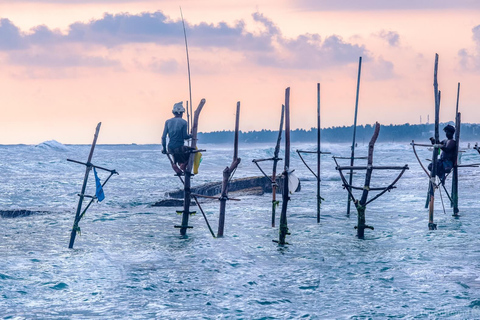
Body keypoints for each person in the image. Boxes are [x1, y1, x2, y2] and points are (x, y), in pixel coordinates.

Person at [162, 102, 191, 174]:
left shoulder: (168, 122)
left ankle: (176, 164)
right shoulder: (184, 122)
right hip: (180, 147)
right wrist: (191, 135)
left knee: (177, 156)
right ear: (182, 113)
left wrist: (164, 149)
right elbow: (185, 136)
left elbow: (163, 137)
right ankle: (183, 165)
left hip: (170, 147)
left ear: (174, 112)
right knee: (193, 153)